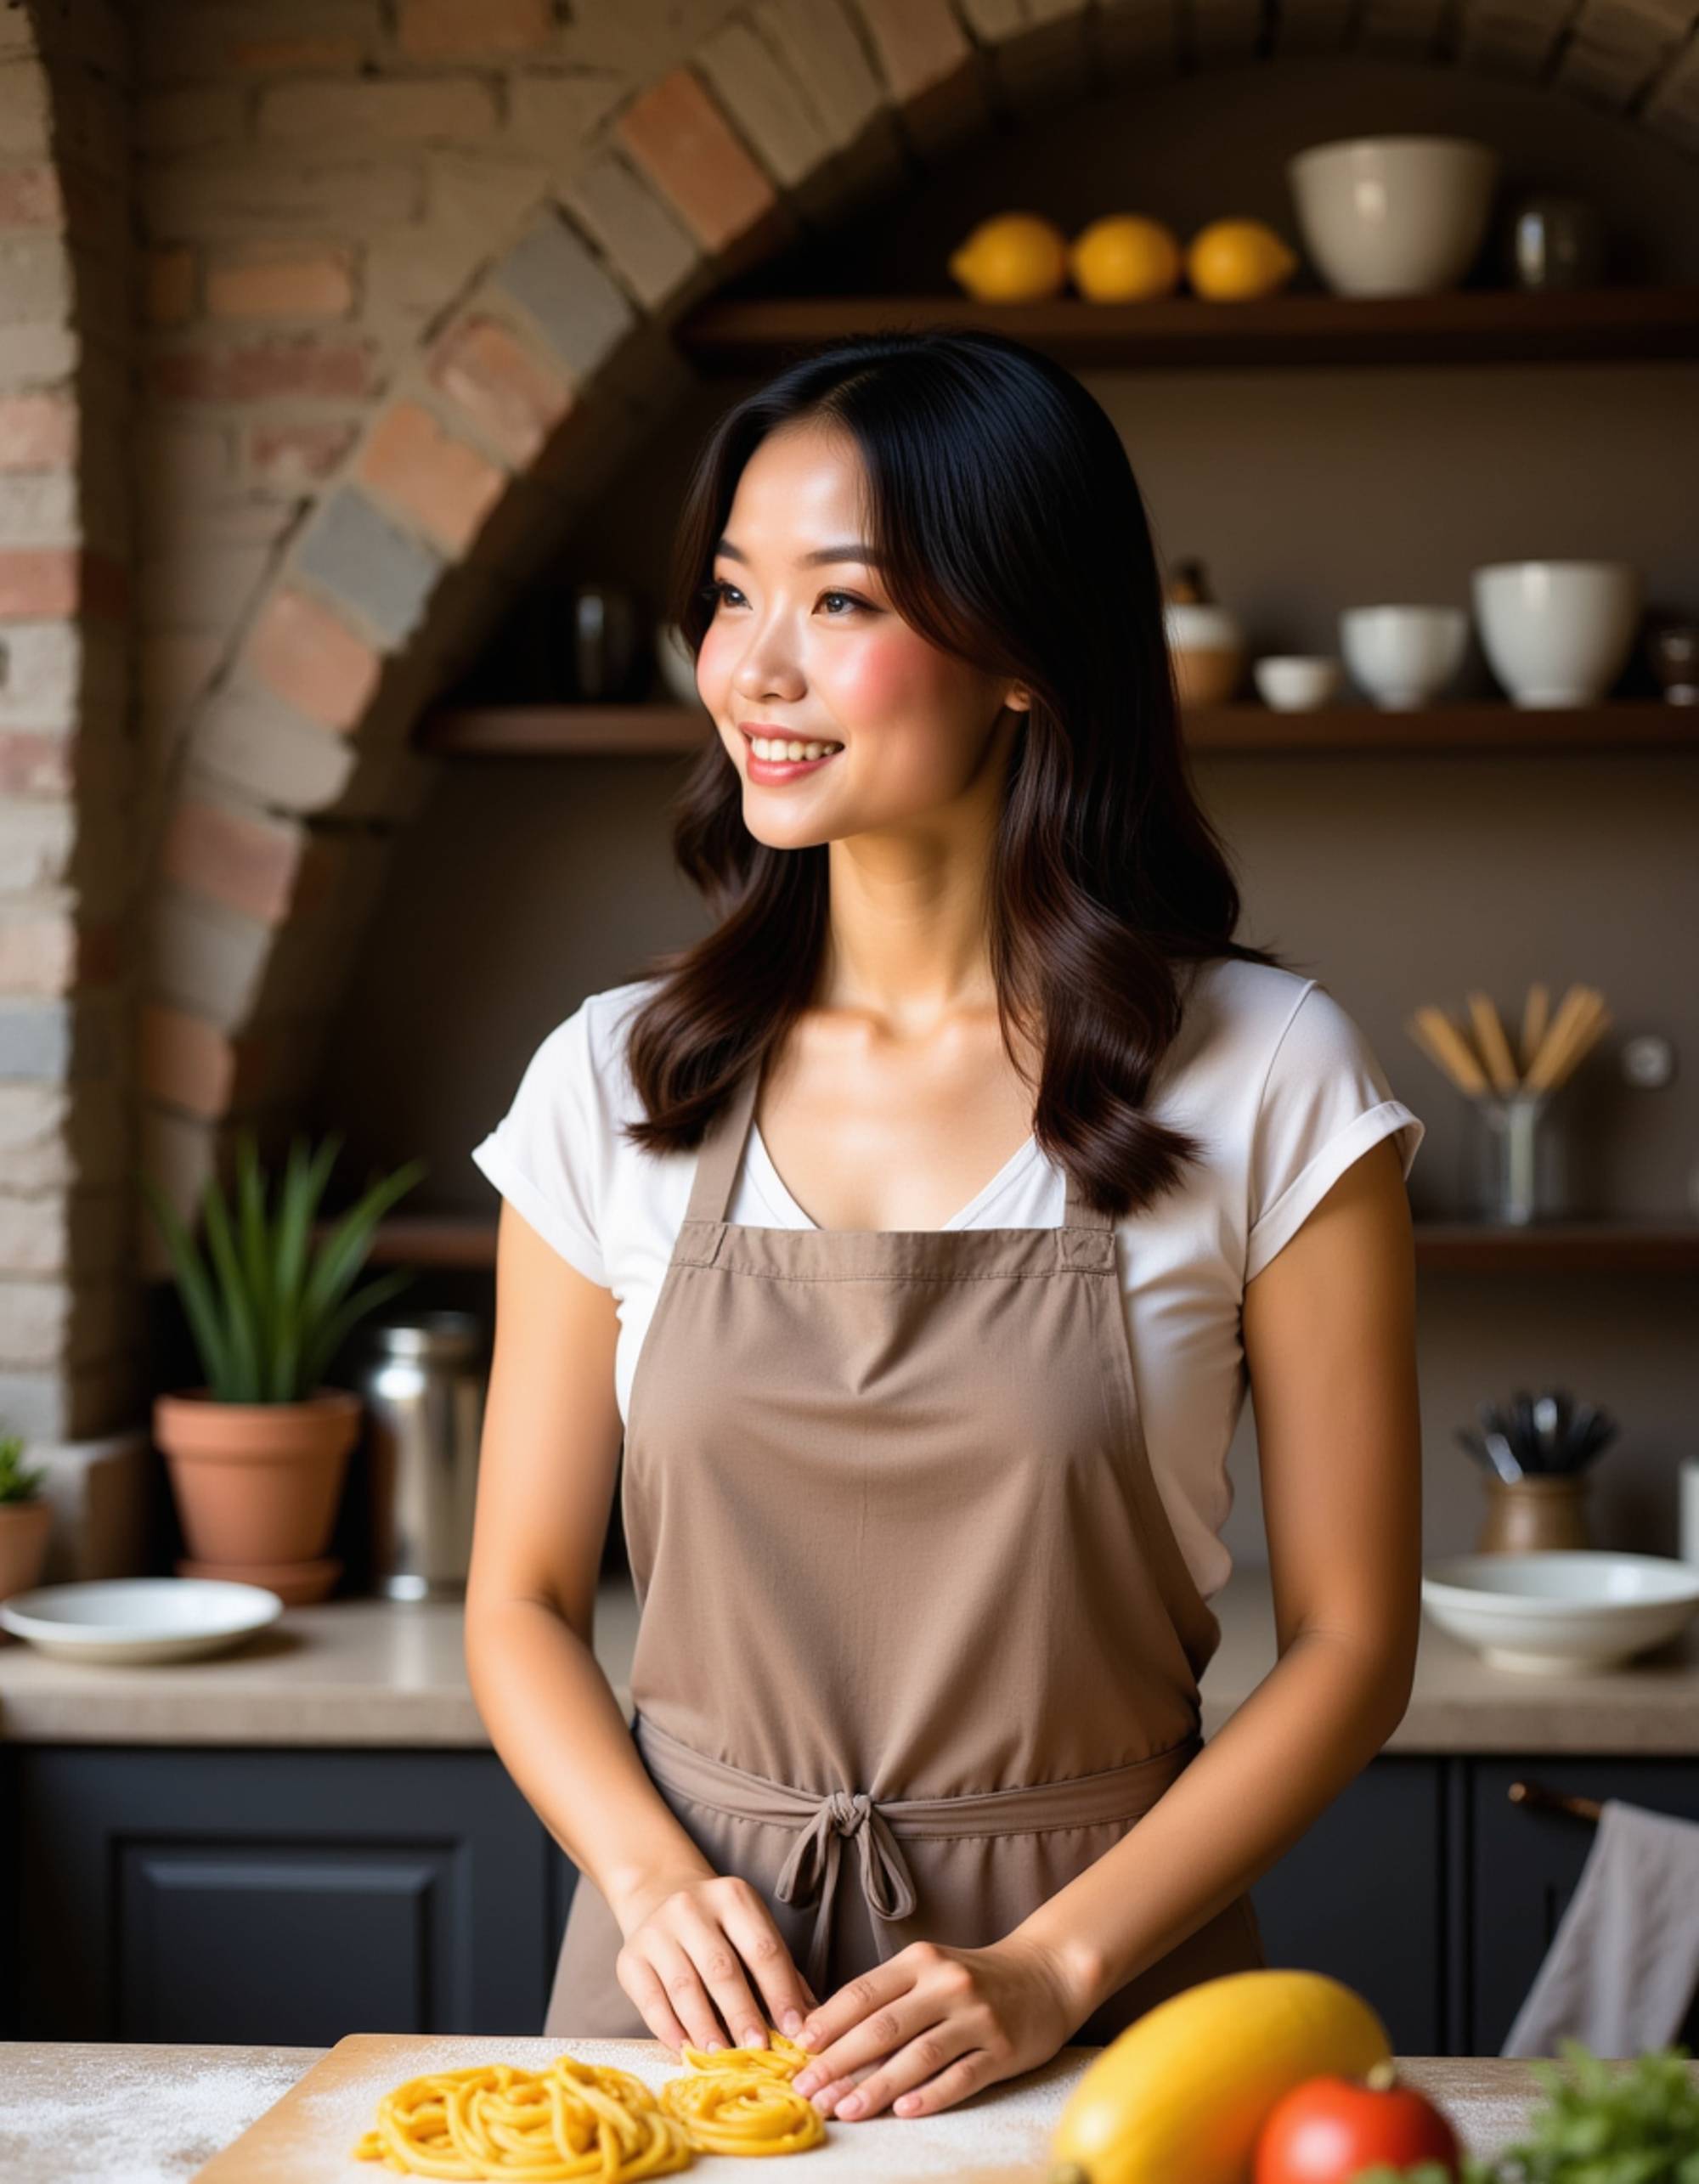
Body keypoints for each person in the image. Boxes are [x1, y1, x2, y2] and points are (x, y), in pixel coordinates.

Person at [465, 328, 1425, 2128]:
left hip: (1112, 2009)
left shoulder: (1265, 1072)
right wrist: (650, 1881)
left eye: (841, 602)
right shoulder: (616, 1080)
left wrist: (1053, 1963)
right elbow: (516, 1600)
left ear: (1019, 652)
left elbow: (1356, 1644)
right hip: (684, 2012)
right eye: (731, 592)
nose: (751, 664)